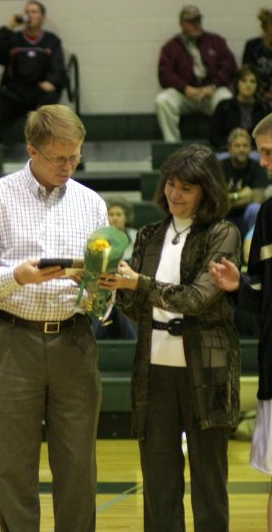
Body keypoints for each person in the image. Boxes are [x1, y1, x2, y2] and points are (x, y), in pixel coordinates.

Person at [0, 104, 107, 531]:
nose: (69, 165)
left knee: (79, 465)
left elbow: (100, 282)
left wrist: (102, 289)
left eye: (75, 155)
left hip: (75, 339)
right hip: (11, 339)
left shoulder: (91, 203)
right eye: (59, 157)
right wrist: (16, 276)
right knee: (12, 466)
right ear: (32, 150)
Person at [107, 143, 240, 532]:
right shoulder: (148, 234)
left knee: (209, 481)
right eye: (170, 184)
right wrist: (115, 288)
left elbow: (199, 298)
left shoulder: (222, 233)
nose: (174, 194)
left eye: (186, 188)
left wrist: (141, 284)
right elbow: (137, 306)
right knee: (159, 481)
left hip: (207, 370)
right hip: (154, 368)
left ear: (207, 191)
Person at [209, 112, 272, 532]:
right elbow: (262, 297)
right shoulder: (266, 214)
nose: (262, 162)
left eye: (268, 152)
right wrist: (239, 287)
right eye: (260, 153)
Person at [0, 0, 67, 144]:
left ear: (42, 18)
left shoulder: (52, 41)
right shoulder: (14, 39)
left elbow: (59, 67)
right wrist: (8, 28)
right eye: (27, 12)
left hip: (37, 92)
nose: (30, 15)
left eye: (34, 12)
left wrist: (53, 82)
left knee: (50, 99)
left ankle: (49, 149)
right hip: (14, 92)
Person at [156, 5, 238, 142]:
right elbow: (164, 74)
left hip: (211, 92)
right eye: (191, 22)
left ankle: (226, 143)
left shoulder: (216, 41)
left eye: (198, 21)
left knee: (227, 99)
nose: (196, 25)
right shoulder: (171, 47)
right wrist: (185, 88)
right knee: (162, 101)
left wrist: (213, 86)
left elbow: (229, 67)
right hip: (185, 94)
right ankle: (172, 146)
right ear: (182, 24)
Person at [95, 196, 138, 340]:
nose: (114, 218)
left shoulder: (137, 236)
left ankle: (133, 347)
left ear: (126, 217)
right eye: (111, 214)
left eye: (119, 214)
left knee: (121, 303)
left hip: (130, 289)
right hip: (103, 288)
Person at [219, 128, 268, 239]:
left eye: (245, 146)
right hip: (224, 217)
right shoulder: (220, 167)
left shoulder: (257, 166)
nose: (241, 149)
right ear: (230, 148)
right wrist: (242, 195)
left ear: (250, 149)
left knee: (255, 208)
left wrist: (229, 197)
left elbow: (258, 197)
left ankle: (254, 247)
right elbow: (218, 200)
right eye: (237, 146)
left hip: (246, 218)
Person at [211, 64, 270, 151]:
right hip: (228, 152)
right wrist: (232, 147)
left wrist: (250, 148)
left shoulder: (265, 109)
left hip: (257, 152)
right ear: (237, 83)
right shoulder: (224, 106)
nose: (248, 84)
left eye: (252, 81)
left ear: (257, 86)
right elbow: (213, 136)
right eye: (244, 80)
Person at [243, 8, 272, 104]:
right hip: (256, 92)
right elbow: (246, 72)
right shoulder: (253, 46)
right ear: (265, 26)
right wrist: (259, 90)